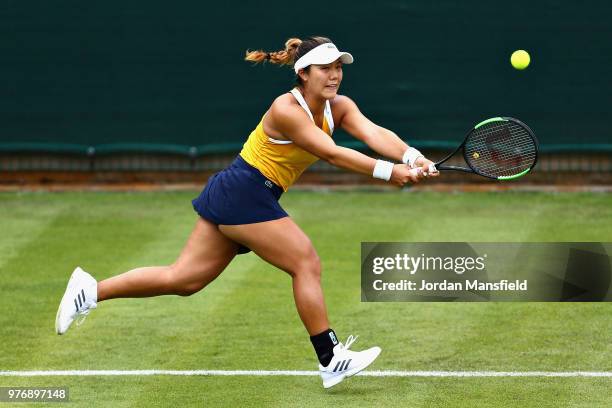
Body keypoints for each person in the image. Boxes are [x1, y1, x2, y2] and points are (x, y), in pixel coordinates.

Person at [55, 36, 439, 388]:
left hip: (245, 192)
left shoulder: (339, 107)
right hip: (245, 189)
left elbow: (373, 133)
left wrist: (413, 156)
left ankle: (90, 291)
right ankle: (330, 357)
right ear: (302, 73)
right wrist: (389, 172)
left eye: (338, 67)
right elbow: (330, 153)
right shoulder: (286, 108)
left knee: (185, 279)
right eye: (325, 68)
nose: (335, 75)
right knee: (305, 262)